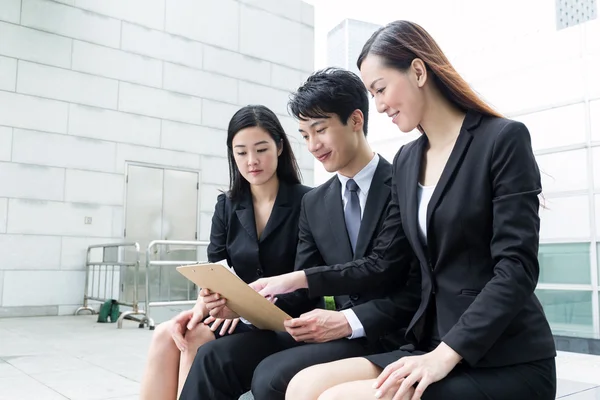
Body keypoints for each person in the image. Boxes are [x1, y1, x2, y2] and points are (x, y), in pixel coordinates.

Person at [254, 21, 557, 400]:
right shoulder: (408, 160)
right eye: (372, 93)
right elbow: (385, 262)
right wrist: (295, 280)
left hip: (500, 356)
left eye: (380, 89)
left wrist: (444, 356)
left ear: (417, 71)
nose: (378, 105)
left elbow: (516, 269)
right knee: (301, 386)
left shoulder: (502, 140)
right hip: (427, 341)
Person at [178, 68, 421, 400]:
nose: (313, 145)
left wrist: (337, 314)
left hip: (388, 330)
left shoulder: (403, 185)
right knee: (213, 357)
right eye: (305, 135)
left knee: (270, 377)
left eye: (320, 130)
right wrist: (240, 306)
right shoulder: (316, 202)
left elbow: (392, 273)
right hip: (327, 329)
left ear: (355, 120)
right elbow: (299, 292)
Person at [139, 105, 311, 400]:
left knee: (195, 338)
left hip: (280, 320)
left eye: (261, 149)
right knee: (166, 334)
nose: (252, 161)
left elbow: (305, 283)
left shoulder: (307, 201)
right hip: (227, 314)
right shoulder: (228, 205)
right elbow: (215, 270)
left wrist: (242, 310)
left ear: (280, 147)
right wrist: (200, 309)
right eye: (241, 152)